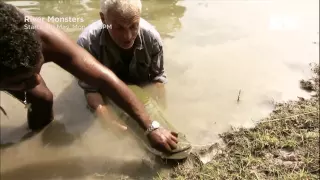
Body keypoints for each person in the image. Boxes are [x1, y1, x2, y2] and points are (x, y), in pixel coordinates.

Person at [0, 1, 178, 153]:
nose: (37, 81)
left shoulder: (45, 36)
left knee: (43, 97)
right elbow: (92, 89)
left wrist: (150, 126)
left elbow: (105, 80)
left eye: (37, 71)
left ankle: (36, 143)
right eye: (23, 79)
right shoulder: (89, 39)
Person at [77, 0, 168, 133]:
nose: (128, 36)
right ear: (103, 19)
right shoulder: (87, 43)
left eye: (133, 26)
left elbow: (158, 80)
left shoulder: (152, 38)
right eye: (119, 28)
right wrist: (107, 120)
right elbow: (91, 90)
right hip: (105, 89)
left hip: (138, 84)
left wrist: (161, 116)